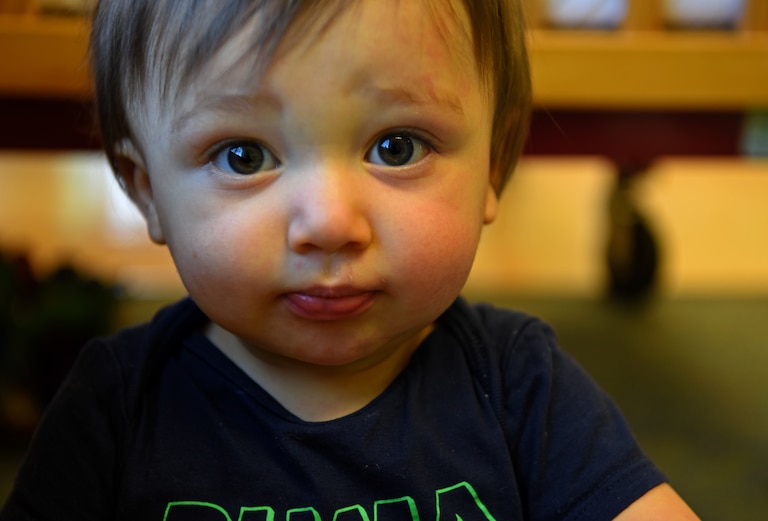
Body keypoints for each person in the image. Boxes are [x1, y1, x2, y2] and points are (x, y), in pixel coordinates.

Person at [1, 0, 700, 519]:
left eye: (397, 146)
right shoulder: (116, 410)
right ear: (146, 191)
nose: (330, 223)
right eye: (244, 156)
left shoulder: (523, 387)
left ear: (494, 162)